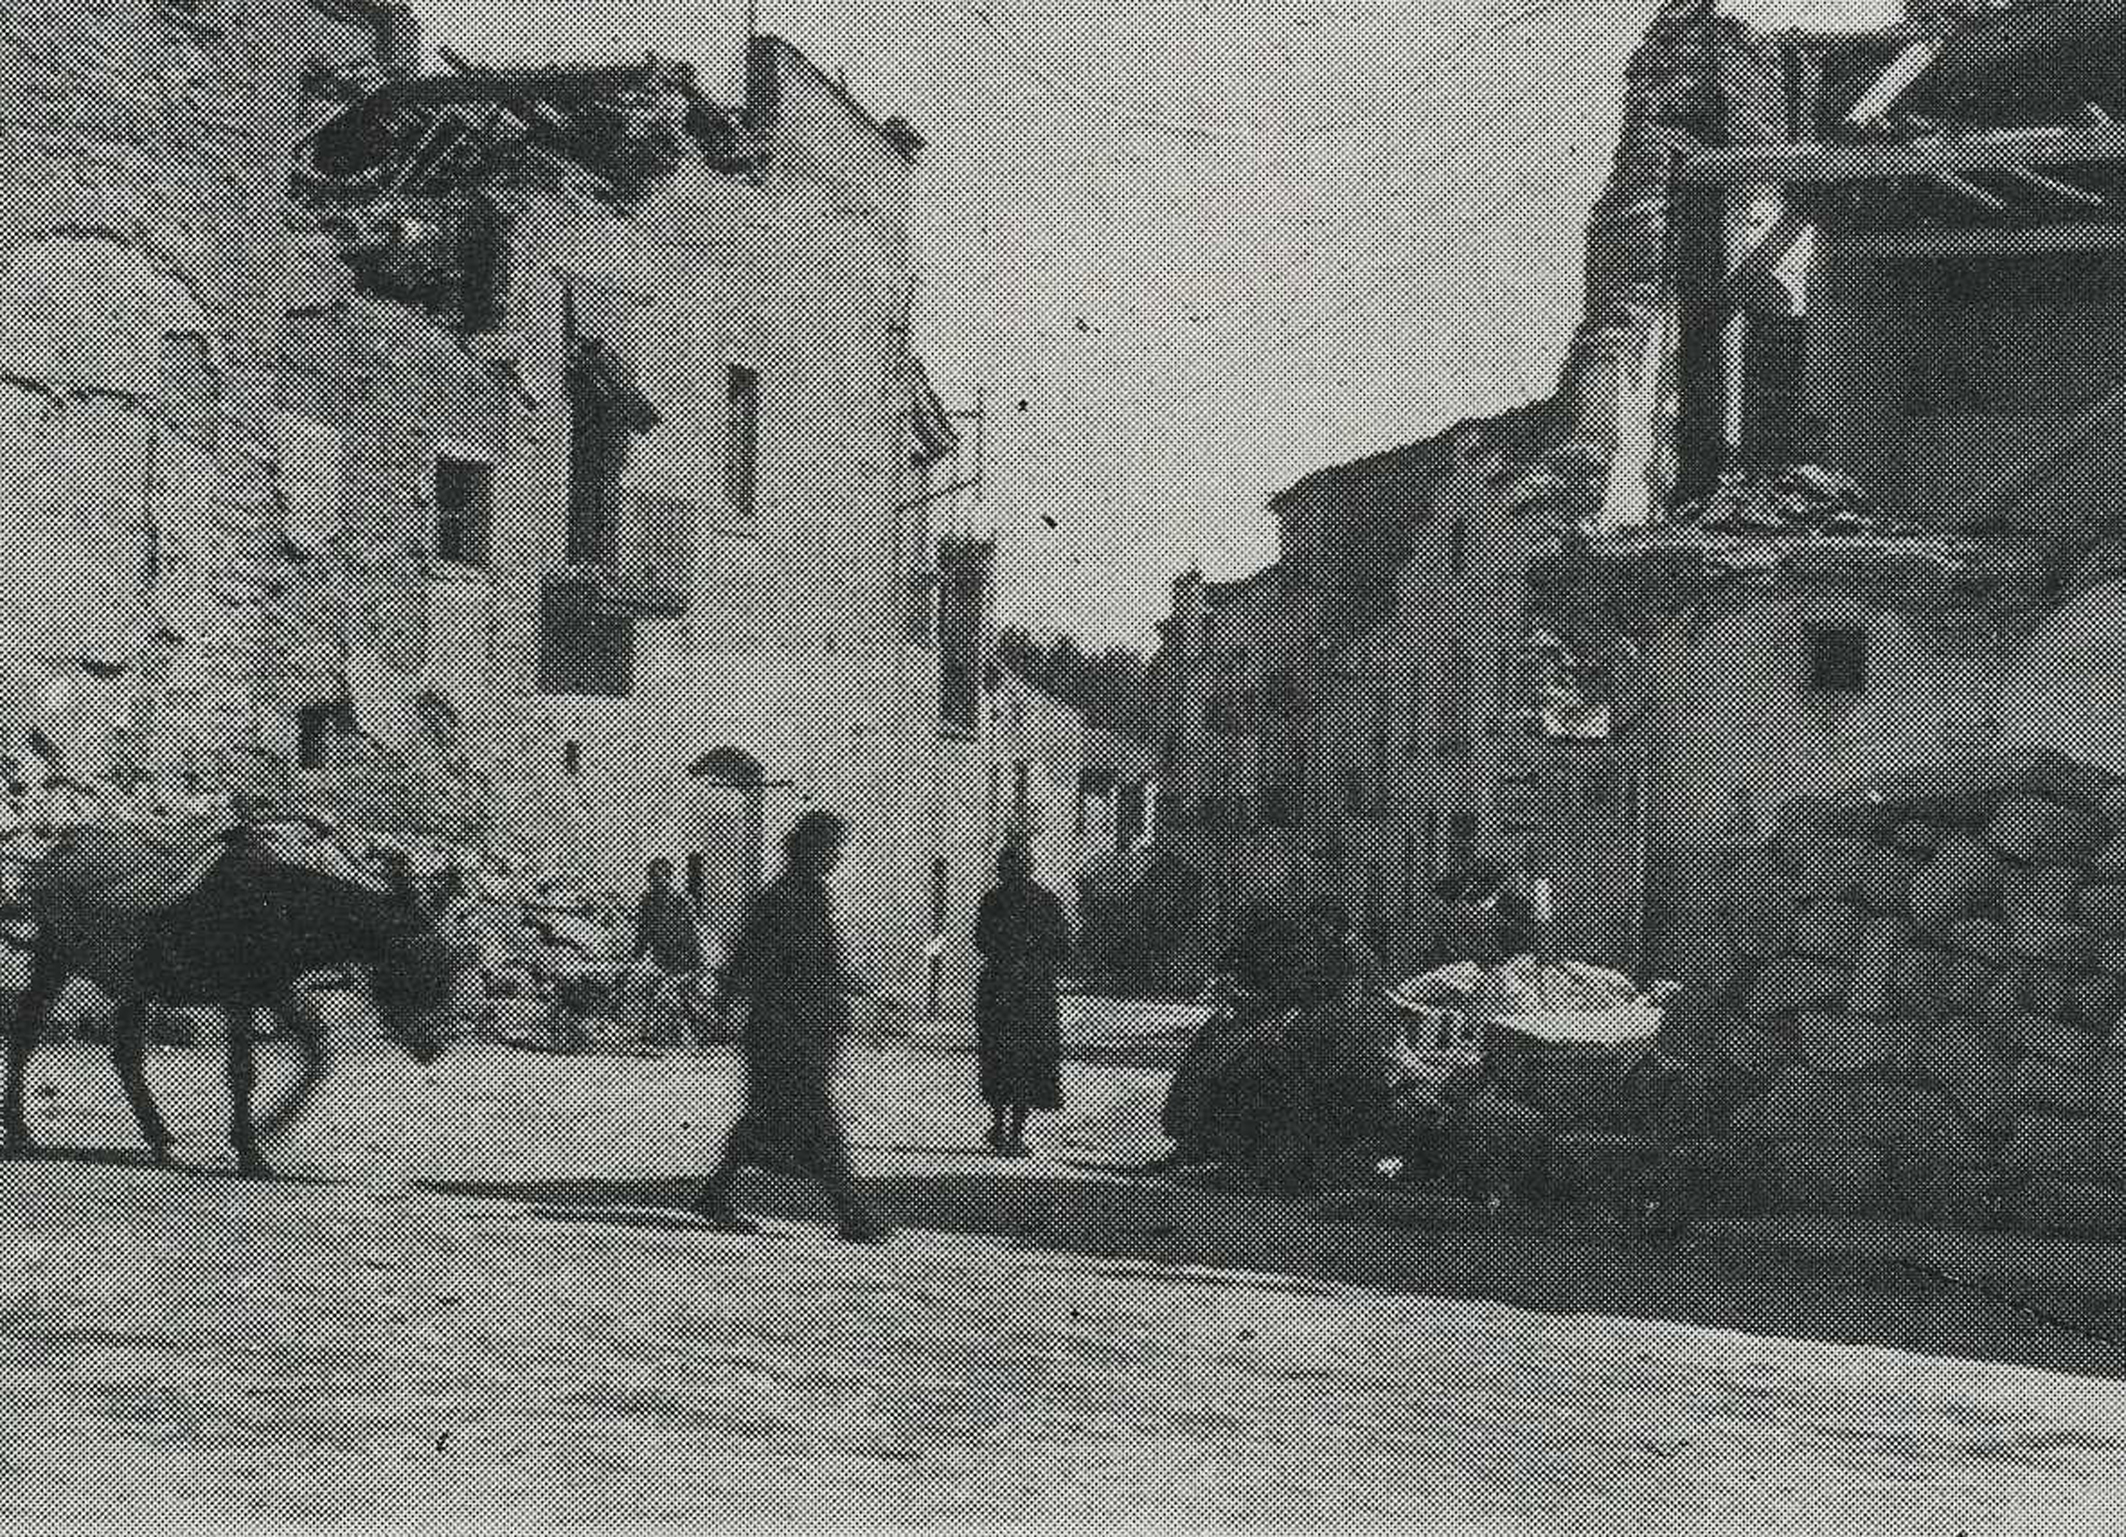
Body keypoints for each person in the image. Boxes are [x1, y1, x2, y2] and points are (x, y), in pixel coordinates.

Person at [694, 811, 888, 1243]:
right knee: (816, 1115)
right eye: (828, 848)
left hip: (803, 1026)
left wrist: (867, 995)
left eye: (836, 849)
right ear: (807, 850)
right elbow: (748, 957)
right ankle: (854, 1211)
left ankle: (716, 1191)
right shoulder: (782, 899)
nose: (835, 857)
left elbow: (821, 966)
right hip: (785, 1029)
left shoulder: (809, 897)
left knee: (767, 1119)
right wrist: (724, 1005)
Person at [974, 841, 1072, 1156]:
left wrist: (1010, 957)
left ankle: (1003, 1126)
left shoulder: (994, 900)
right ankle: (1013, 1130)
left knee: (1001, 1058)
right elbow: (1063, 947)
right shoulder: (1045, 901)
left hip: (1003, 989)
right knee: (1024, 1060)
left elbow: (982, 940)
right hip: (1031, 991)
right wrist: (1034, 960)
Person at [627, 857, 707, 1052]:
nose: (656, 880)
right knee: (660, 996)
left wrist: (698, 962)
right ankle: (659, 1037)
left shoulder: (681, 899)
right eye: (652, 876)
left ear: (669, 877)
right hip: (661, 958)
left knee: (687, 999)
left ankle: (699, 1037)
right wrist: (633, 960)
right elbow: (642, 932)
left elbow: (692, 931)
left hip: (684, 957)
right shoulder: (647, 901)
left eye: (660, 876)